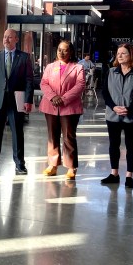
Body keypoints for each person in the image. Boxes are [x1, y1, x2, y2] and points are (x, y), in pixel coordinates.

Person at [0, 29, 34, 174]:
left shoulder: (24, 57)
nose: (6, 39)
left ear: (16, 39)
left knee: (17, 132)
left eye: (9, 37)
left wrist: (28, 100)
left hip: (17, 101)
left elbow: (29, 80)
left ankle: (19, 164)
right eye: (4, 37)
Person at [100, 44, 133, 189]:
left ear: (131, 55)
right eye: (118, 53)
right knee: (113, 145)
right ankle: (114, 173)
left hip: (131, 116)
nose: (120, 56)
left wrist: (130, 108)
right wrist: (114, 107)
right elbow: (105, 92)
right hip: (113, 115)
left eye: (123, 53)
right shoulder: (111, 72)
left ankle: (129, 176)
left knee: (131, 145)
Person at [39, 40, 86, 180]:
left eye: (65, 50)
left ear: (71, 52)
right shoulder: (50, 66)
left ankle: (71, 167)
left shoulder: (78, 68)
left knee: (68, 137)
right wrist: (53, 97)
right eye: (59, 49)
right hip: (50, 105)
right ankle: (53, 165)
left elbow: (80, 85)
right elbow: (44, 83)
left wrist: (63, 99)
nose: (61, 52)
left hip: (70, 107)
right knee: (52, 136)